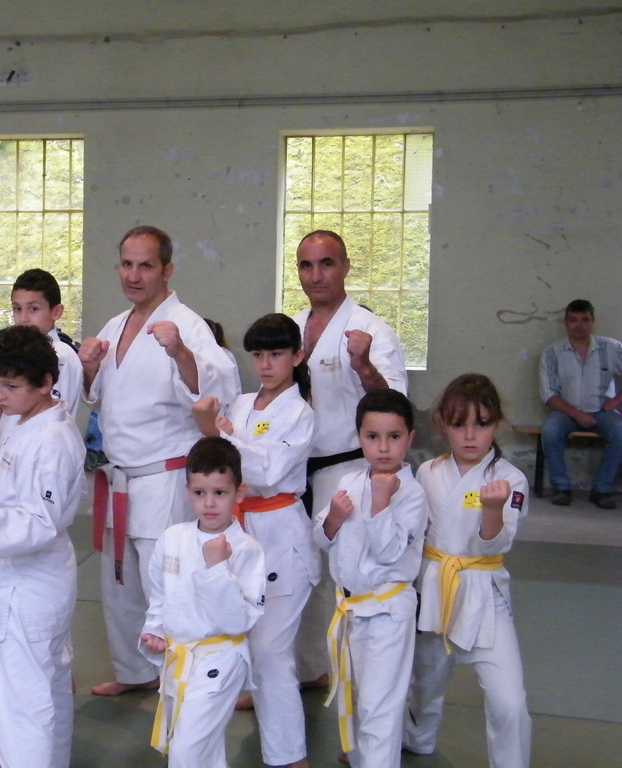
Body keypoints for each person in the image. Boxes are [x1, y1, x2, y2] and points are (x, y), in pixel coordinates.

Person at [79, 225, 238, 697]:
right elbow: (97, 397)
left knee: (166, 588)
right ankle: (134, 671)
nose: (133, 275)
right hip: (119, 477)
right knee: (119, 585)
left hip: (163, 478)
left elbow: (218, 388)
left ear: (167, 270)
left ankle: (182, 682)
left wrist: (181, 352)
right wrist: (88, 368)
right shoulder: (115, 326)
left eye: (145, 265)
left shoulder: (187, 324)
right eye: (126, 264)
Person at [0, 325, 85, 768]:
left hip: (28, 587)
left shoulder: (51, 438)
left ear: (46, 383)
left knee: (22, 705)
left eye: (11, 386)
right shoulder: (27, 423)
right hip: (22, 580)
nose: (0, 395)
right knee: (41, 691)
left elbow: (42, 519)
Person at [192, 313, 317, 768]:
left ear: (296, 356)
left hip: (281, 531)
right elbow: (219, 460)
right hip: (240, 528)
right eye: (258, 355)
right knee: (240, 636)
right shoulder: (243, 403)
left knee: (271, 651)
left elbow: (266, 470)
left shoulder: (300, 413)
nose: (265, 364)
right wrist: (217, 432)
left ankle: (290, 756)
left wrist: (220, 434)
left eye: (276, 354)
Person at [292, 229, 408, 688]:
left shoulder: (371, 330)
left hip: (348, 468)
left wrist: (364, 365)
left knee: (349, 575)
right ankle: (309, 670)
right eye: (306, 265)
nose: (316, 274)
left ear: (345, 267)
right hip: (295, 471)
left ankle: (361, 682)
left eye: (326, 263)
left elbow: (396, 407)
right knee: (301, 574)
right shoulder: (291, 325)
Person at [404, 374, 531, 768]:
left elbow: (495, 546)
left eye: (482, 423)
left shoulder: (510, 479)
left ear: (497, 424)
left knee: (509, 701)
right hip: (432, 588)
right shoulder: (428, 472)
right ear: (443, 424)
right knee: (424, 687)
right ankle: (417, 740)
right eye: (459, 425)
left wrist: (493, 510)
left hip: (484, 593)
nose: (471, 435)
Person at [312, 389, 427, 768]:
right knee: (359, 696)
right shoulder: (349, 480)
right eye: (372, 436)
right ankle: (362, 757)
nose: (383, 447)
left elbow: (389, 551)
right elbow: (322, 538)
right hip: (350, 608)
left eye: (394, 436)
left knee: (381, 707)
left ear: (410, 438)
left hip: (387, 612)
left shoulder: (412, 494)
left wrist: (380, 501)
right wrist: (334, 519)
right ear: (358, 436)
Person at [140, 436, 265, 768]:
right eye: (199, 493)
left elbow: (237, 621)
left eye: (220, 493)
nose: (209, 503)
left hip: (220, 660)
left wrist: (217, 568)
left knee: (188, 751)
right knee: (201, 751)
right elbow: (160, 594)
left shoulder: (247, 549)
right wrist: (155, 630)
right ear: (188, 491)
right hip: (180, 656)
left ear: (239, 492)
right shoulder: (173, 538)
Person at [539, 299, 622, 509]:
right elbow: (549, 395)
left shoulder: (612, 348)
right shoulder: (552, 353)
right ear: (566, 323)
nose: (579, 325)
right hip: (566, 412)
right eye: (573, 320)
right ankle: (561, 488)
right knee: (550, 430)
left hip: (602, 412)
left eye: (584, 319)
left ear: (593, 321)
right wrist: (577, 414)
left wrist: (615, 401)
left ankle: (602, 489)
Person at [0, 267, 83, 443]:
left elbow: (48, 414)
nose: (23, 318)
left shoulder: (60, 355)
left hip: (40, 446)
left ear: (56, 312)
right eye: (17, 309)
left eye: (33, 309)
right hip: (11, 445)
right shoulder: (16, 353)